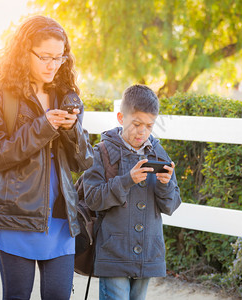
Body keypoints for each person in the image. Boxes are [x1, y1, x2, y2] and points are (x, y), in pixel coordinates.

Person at [0, 15, 93, 300]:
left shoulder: (67, 95)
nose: (53, 64)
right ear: (24, 52)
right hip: (15, 215)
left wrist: (71, 130)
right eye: (45, 57)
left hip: (61, 216)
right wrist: (44, 127)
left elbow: (83, 162)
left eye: (59, 57)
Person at [83, 84, 182, 300]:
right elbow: (92, 199)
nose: (142, 131)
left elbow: (171, 205)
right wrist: (127, 181)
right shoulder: (102, 152)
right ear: (121, 117)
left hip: (148, 252)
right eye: (136, 124)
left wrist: (165, 184)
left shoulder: (158, 153)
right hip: (114, 251)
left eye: (149, 125)